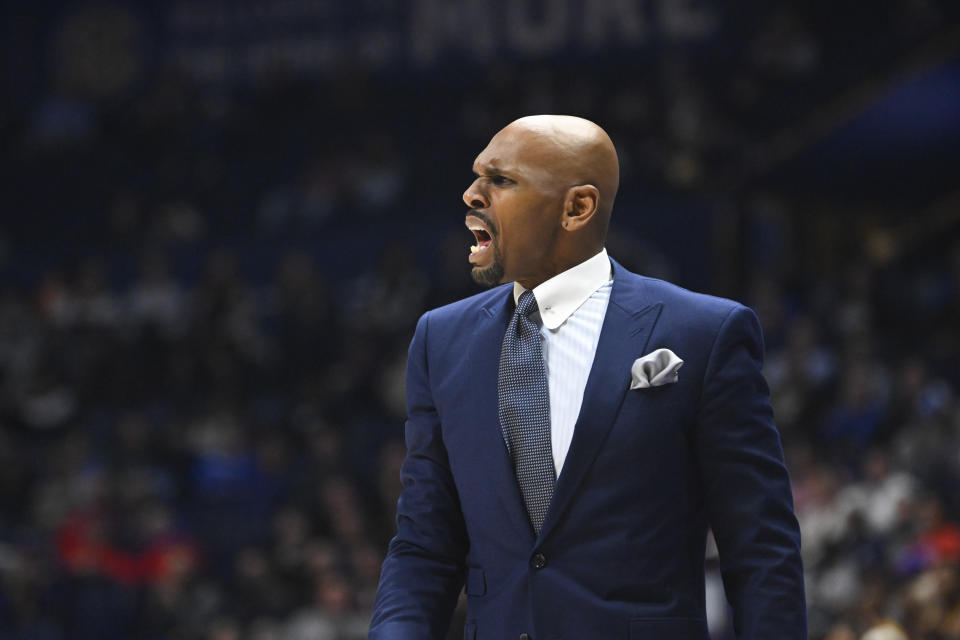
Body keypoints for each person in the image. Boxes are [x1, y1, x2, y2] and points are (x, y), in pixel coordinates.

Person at [368, 115, 805, 639]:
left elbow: (759, 547)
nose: (471, 195)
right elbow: (424, 547)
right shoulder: (441, 341)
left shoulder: (704, 332)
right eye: (476, 175)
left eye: (500, 180)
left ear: (577, 208)